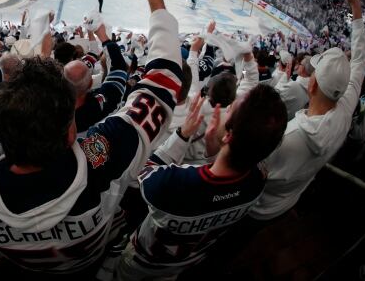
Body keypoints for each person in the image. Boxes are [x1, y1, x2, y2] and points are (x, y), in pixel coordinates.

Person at [0, 0, 184, 277]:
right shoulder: (105, 156)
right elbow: (163, 86)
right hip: (91, 266)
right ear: (71, 131)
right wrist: (155, 0)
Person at [117, 85, 287, 280]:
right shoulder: (258, 182)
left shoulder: (174, 183)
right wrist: (213, 152)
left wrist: (182, 135)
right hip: (185, 261)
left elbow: (143, 171)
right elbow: (221, 187)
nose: (226, 109)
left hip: (143, 261)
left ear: (229, 135)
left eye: (230, 108)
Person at [249, 0, 365, 225]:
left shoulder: (290, 136)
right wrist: (355, 6)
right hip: (289, 200)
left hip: (258, 208)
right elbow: (359, 59)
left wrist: (356, 5)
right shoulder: (344, 111)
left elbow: (252, 172)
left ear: (311, 85)